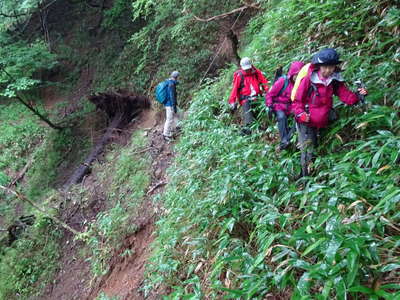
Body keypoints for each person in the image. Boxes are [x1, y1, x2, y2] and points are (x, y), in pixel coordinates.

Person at [292, 48, 367, 177]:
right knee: (308, 150)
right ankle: (305, 179)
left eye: (331, 67)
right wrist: (301, 114)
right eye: (325, 67)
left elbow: (345, 94)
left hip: (323, 119)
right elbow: (297, 102)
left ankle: (320, 174)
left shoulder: (334, 80)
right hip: (306, 121)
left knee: (319, 146)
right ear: (319, 66)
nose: (328, 70)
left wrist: (357, 96)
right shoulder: (308, 80)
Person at [265, 61, 305, 150]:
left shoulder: (302, 84)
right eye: (296, 75)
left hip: (291, 107)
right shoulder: (283, 81)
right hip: (278, 105)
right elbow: (269, 95)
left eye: (300, 75)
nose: (298, 77)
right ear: (292, 74)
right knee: (281, 117)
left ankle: (287, 139)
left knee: (299, 118)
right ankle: (284, 140)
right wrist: (270, 105)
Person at [228, 57, 269, 134]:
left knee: (259, 117)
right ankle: (246, 133)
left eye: (248, 68)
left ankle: (260, 131)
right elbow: (235, 89)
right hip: (245, 99)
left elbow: (264, 82)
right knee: (249, 119)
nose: (247, 70)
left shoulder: (256, 73)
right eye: (245, 69)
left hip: (257, 97)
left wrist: (268, 92)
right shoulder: (240, 76)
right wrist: (232, 101)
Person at [163, 71, 180, 141]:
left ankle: (176, 128)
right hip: (170, 105)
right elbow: (172, 96)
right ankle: (165, 135)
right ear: (176, 77)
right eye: (178, 77)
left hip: (169, 104)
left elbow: (176, 83)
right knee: (169, 119)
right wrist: (174, 106)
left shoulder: (170, 82)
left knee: (177, 115)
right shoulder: (171, 85)